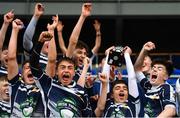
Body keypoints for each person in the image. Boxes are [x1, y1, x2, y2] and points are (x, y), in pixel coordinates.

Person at [30, 30, 92, 117]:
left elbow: (88, 115)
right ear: (56, 72)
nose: (66, 70)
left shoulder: (82, 91)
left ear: (74, 73)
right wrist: (40, 42)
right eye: (62, 67)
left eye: (70, 68)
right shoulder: (48, 84)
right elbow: (33, 65)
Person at [8, 19, 48, 117]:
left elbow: (51, 62)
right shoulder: (16, 86)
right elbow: (11, 57)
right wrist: (14, 30)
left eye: (32, 68)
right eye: (27, 68)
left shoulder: (45, 88)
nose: (30, 69)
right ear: (21, 75)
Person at [95, 46, 140, 117]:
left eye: (125, 89)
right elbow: (105, 80)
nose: (121, 90)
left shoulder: (133, 104)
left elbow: (132, 78)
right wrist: (108, 56)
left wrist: (127, 55)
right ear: (112, 95)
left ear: (128, 94)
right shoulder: (107, 103)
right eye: (117, 88)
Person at [0, 10, 14, 76]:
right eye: (5, 53)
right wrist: (6, 24)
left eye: (10, 54)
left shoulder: (18, 75)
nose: (8, 56)